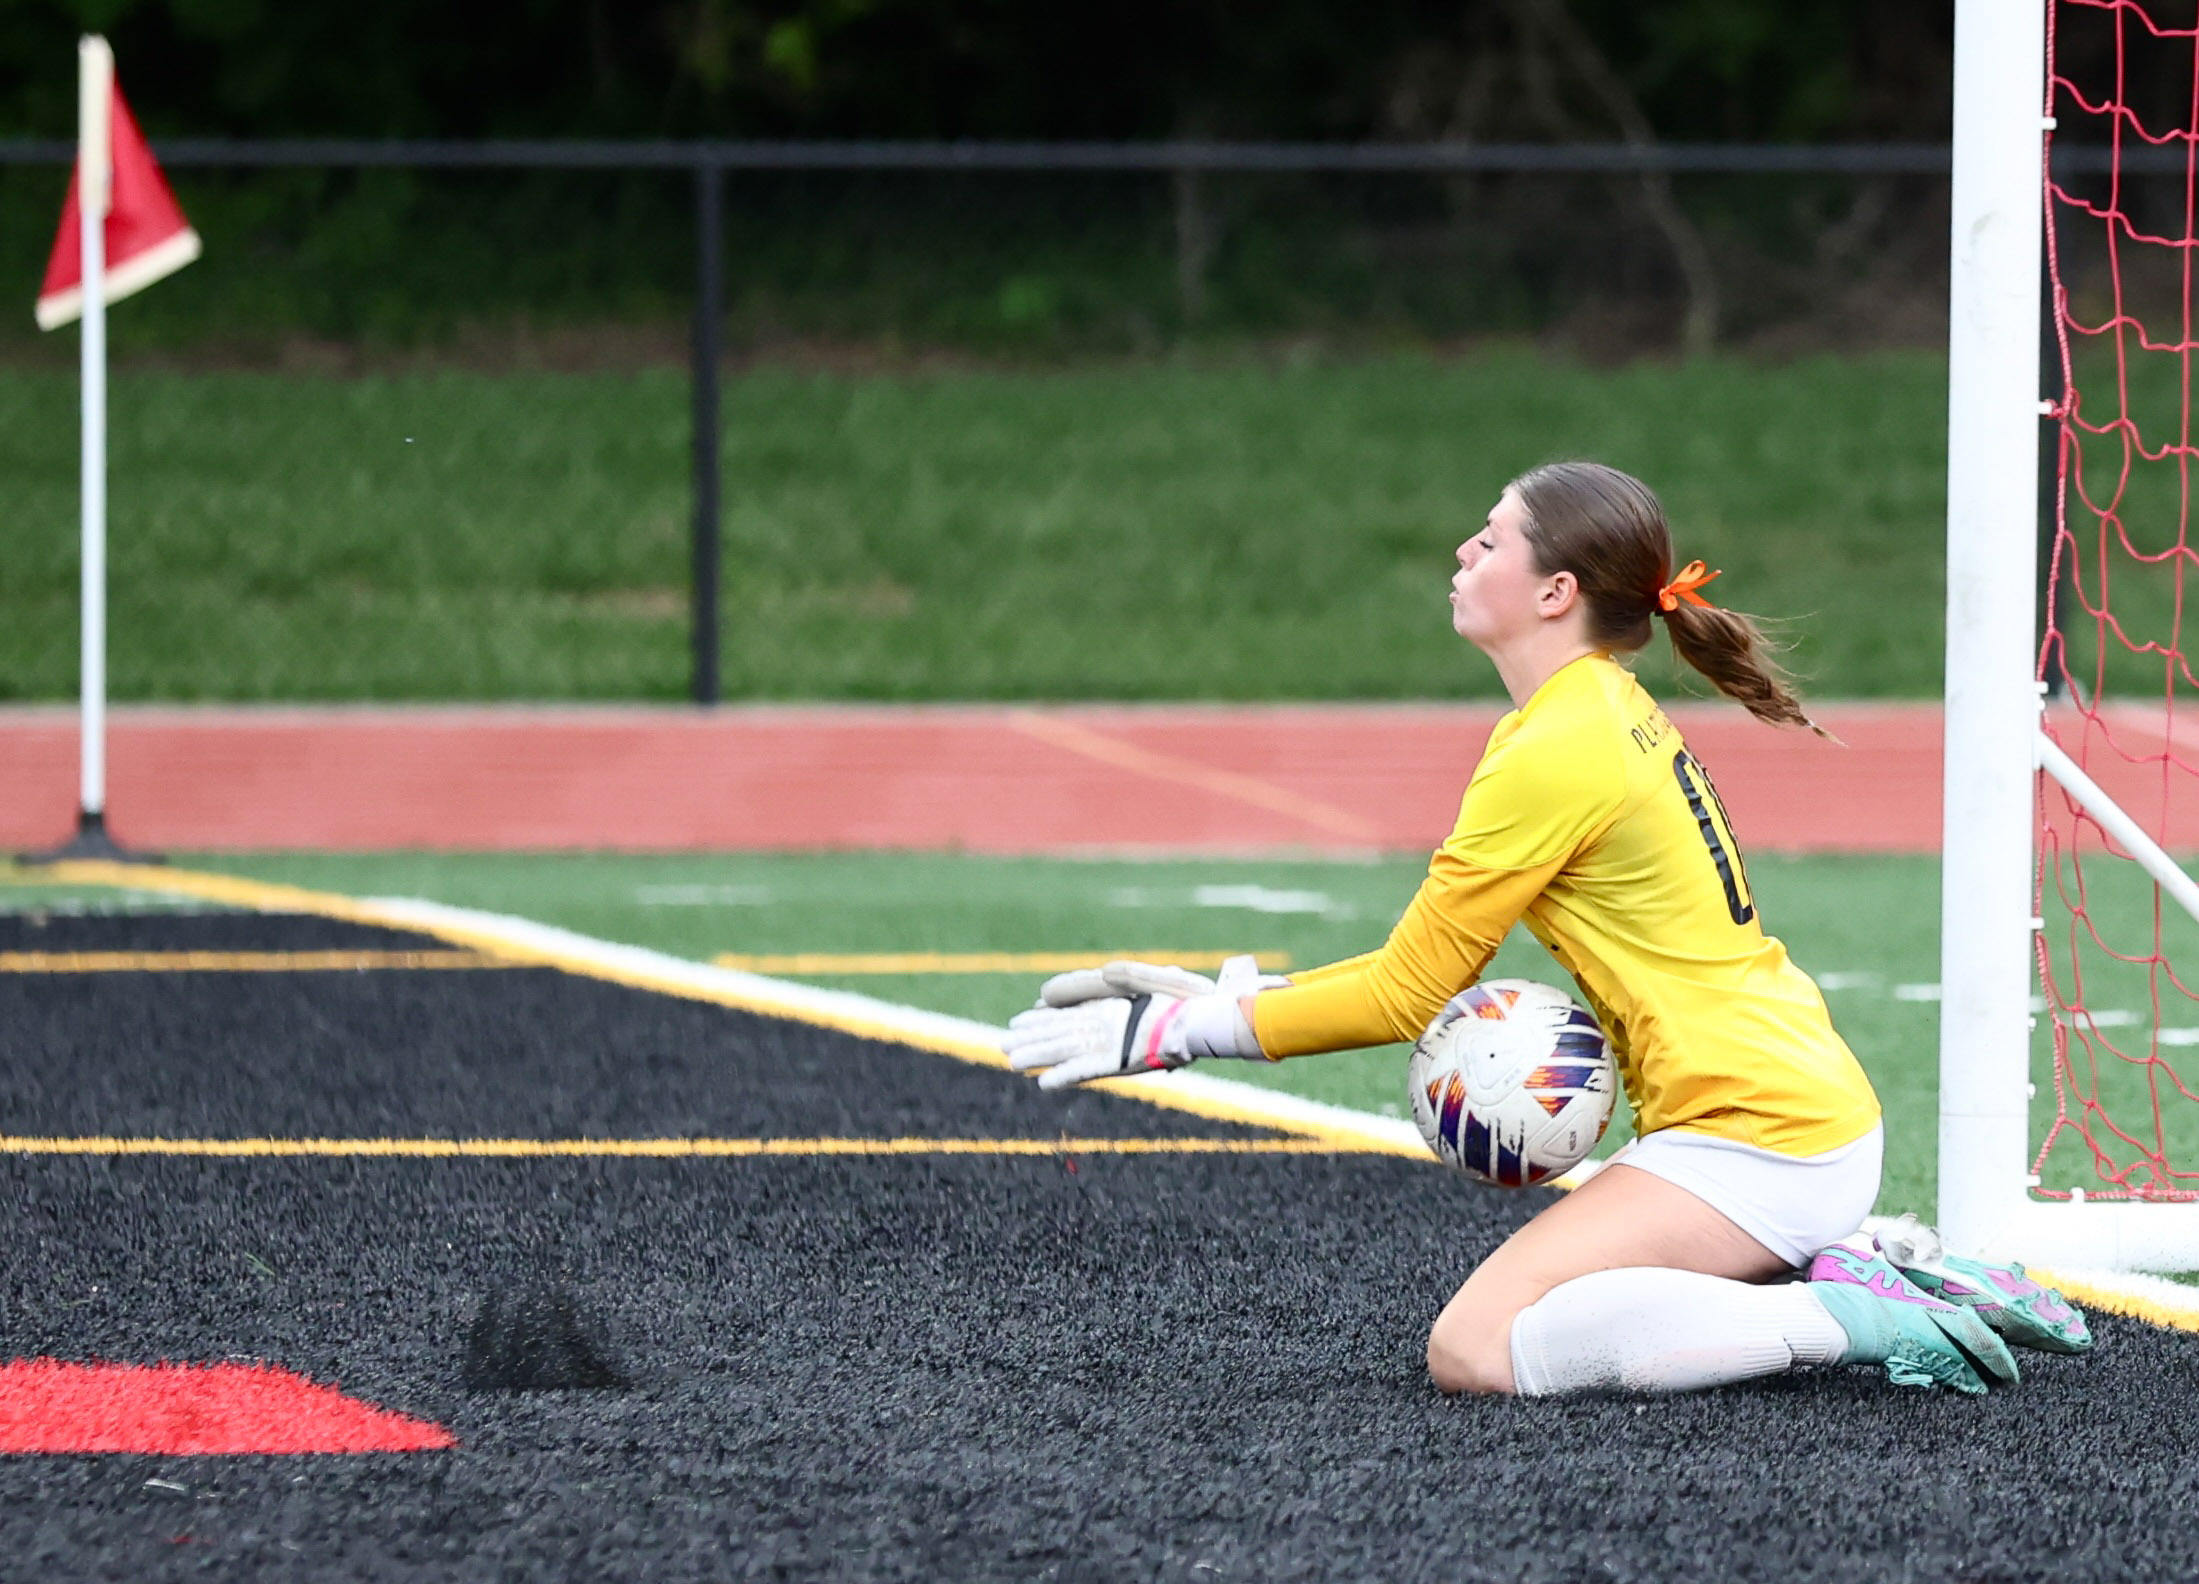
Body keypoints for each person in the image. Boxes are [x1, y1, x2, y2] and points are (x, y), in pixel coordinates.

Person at [1001, 460, 2091, 1397]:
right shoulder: (1592, 710)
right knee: (1551, 1313)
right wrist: (1241, 1005)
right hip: (1791, 1114)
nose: (1464, 551)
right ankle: (1871, 1256)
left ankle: (1852, 1315)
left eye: (1491, 540)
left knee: (1475, 1348)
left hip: (1761, 1138)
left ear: (1555, 591)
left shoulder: (1556, 745)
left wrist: (1186, 1031)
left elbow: (1404, 994)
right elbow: (1412, 967)